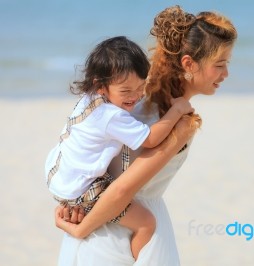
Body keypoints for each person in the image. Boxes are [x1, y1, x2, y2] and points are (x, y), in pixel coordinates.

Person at [55, 5, 237, 265]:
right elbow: (122, 189)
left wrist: (69, 200)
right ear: (189, 64)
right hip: (115, 235)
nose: (225, 74)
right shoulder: (179, 122)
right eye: (219, 64)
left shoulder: (128, 98)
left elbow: (83, 149)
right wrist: (81, 228)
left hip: (94, 216)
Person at [45, 36, 194, 259]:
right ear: (100, 85)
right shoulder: (111, 116)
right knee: (146, 223)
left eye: (141, 87)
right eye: (126, 91)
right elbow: (151, 139)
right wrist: (177, 111)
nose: (135, 96)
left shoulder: (90, 99)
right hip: (81, 187)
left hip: (61, 172)